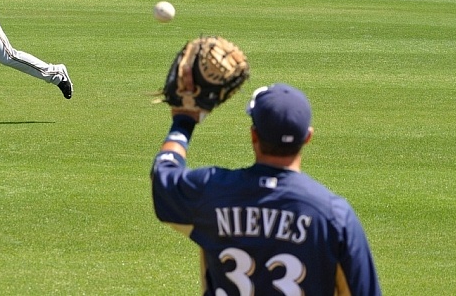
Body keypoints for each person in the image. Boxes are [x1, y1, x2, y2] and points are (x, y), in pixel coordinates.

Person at [151, 83, 381, 295]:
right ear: (307, 137)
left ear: (253, 135)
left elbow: (164, 175)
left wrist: (183, 122)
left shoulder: (212, 191)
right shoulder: (332, 215)